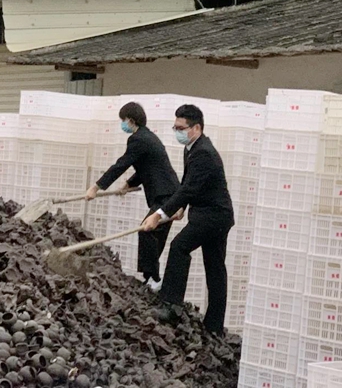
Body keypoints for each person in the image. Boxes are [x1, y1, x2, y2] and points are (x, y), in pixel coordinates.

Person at [142, 104, 234, 335]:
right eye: (175, 127)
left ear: (197, 128)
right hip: (212, 214)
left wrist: (159, 214)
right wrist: (180, 208)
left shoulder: (203, 152)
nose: (177, 132)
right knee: (215, 269)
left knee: (179, 247)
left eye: (181, 128)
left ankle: (171, 305)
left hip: (213, 216)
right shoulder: (192, 148)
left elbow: (189, 189)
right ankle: (214, 326)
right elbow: (188, 183)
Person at [85, 102, 181, 290]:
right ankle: (152, 280)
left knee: (147, 230)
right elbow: (146, 166)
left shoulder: (138, 139)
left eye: (123, 120)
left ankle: (154, 279)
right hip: (169, 193)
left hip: (166, 195)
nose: (122, 124)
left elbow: (121, 164)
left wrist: (96, 188)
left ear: (130, 120)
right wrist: (129, 184)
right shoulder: (148, 137)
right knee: (154, 235)